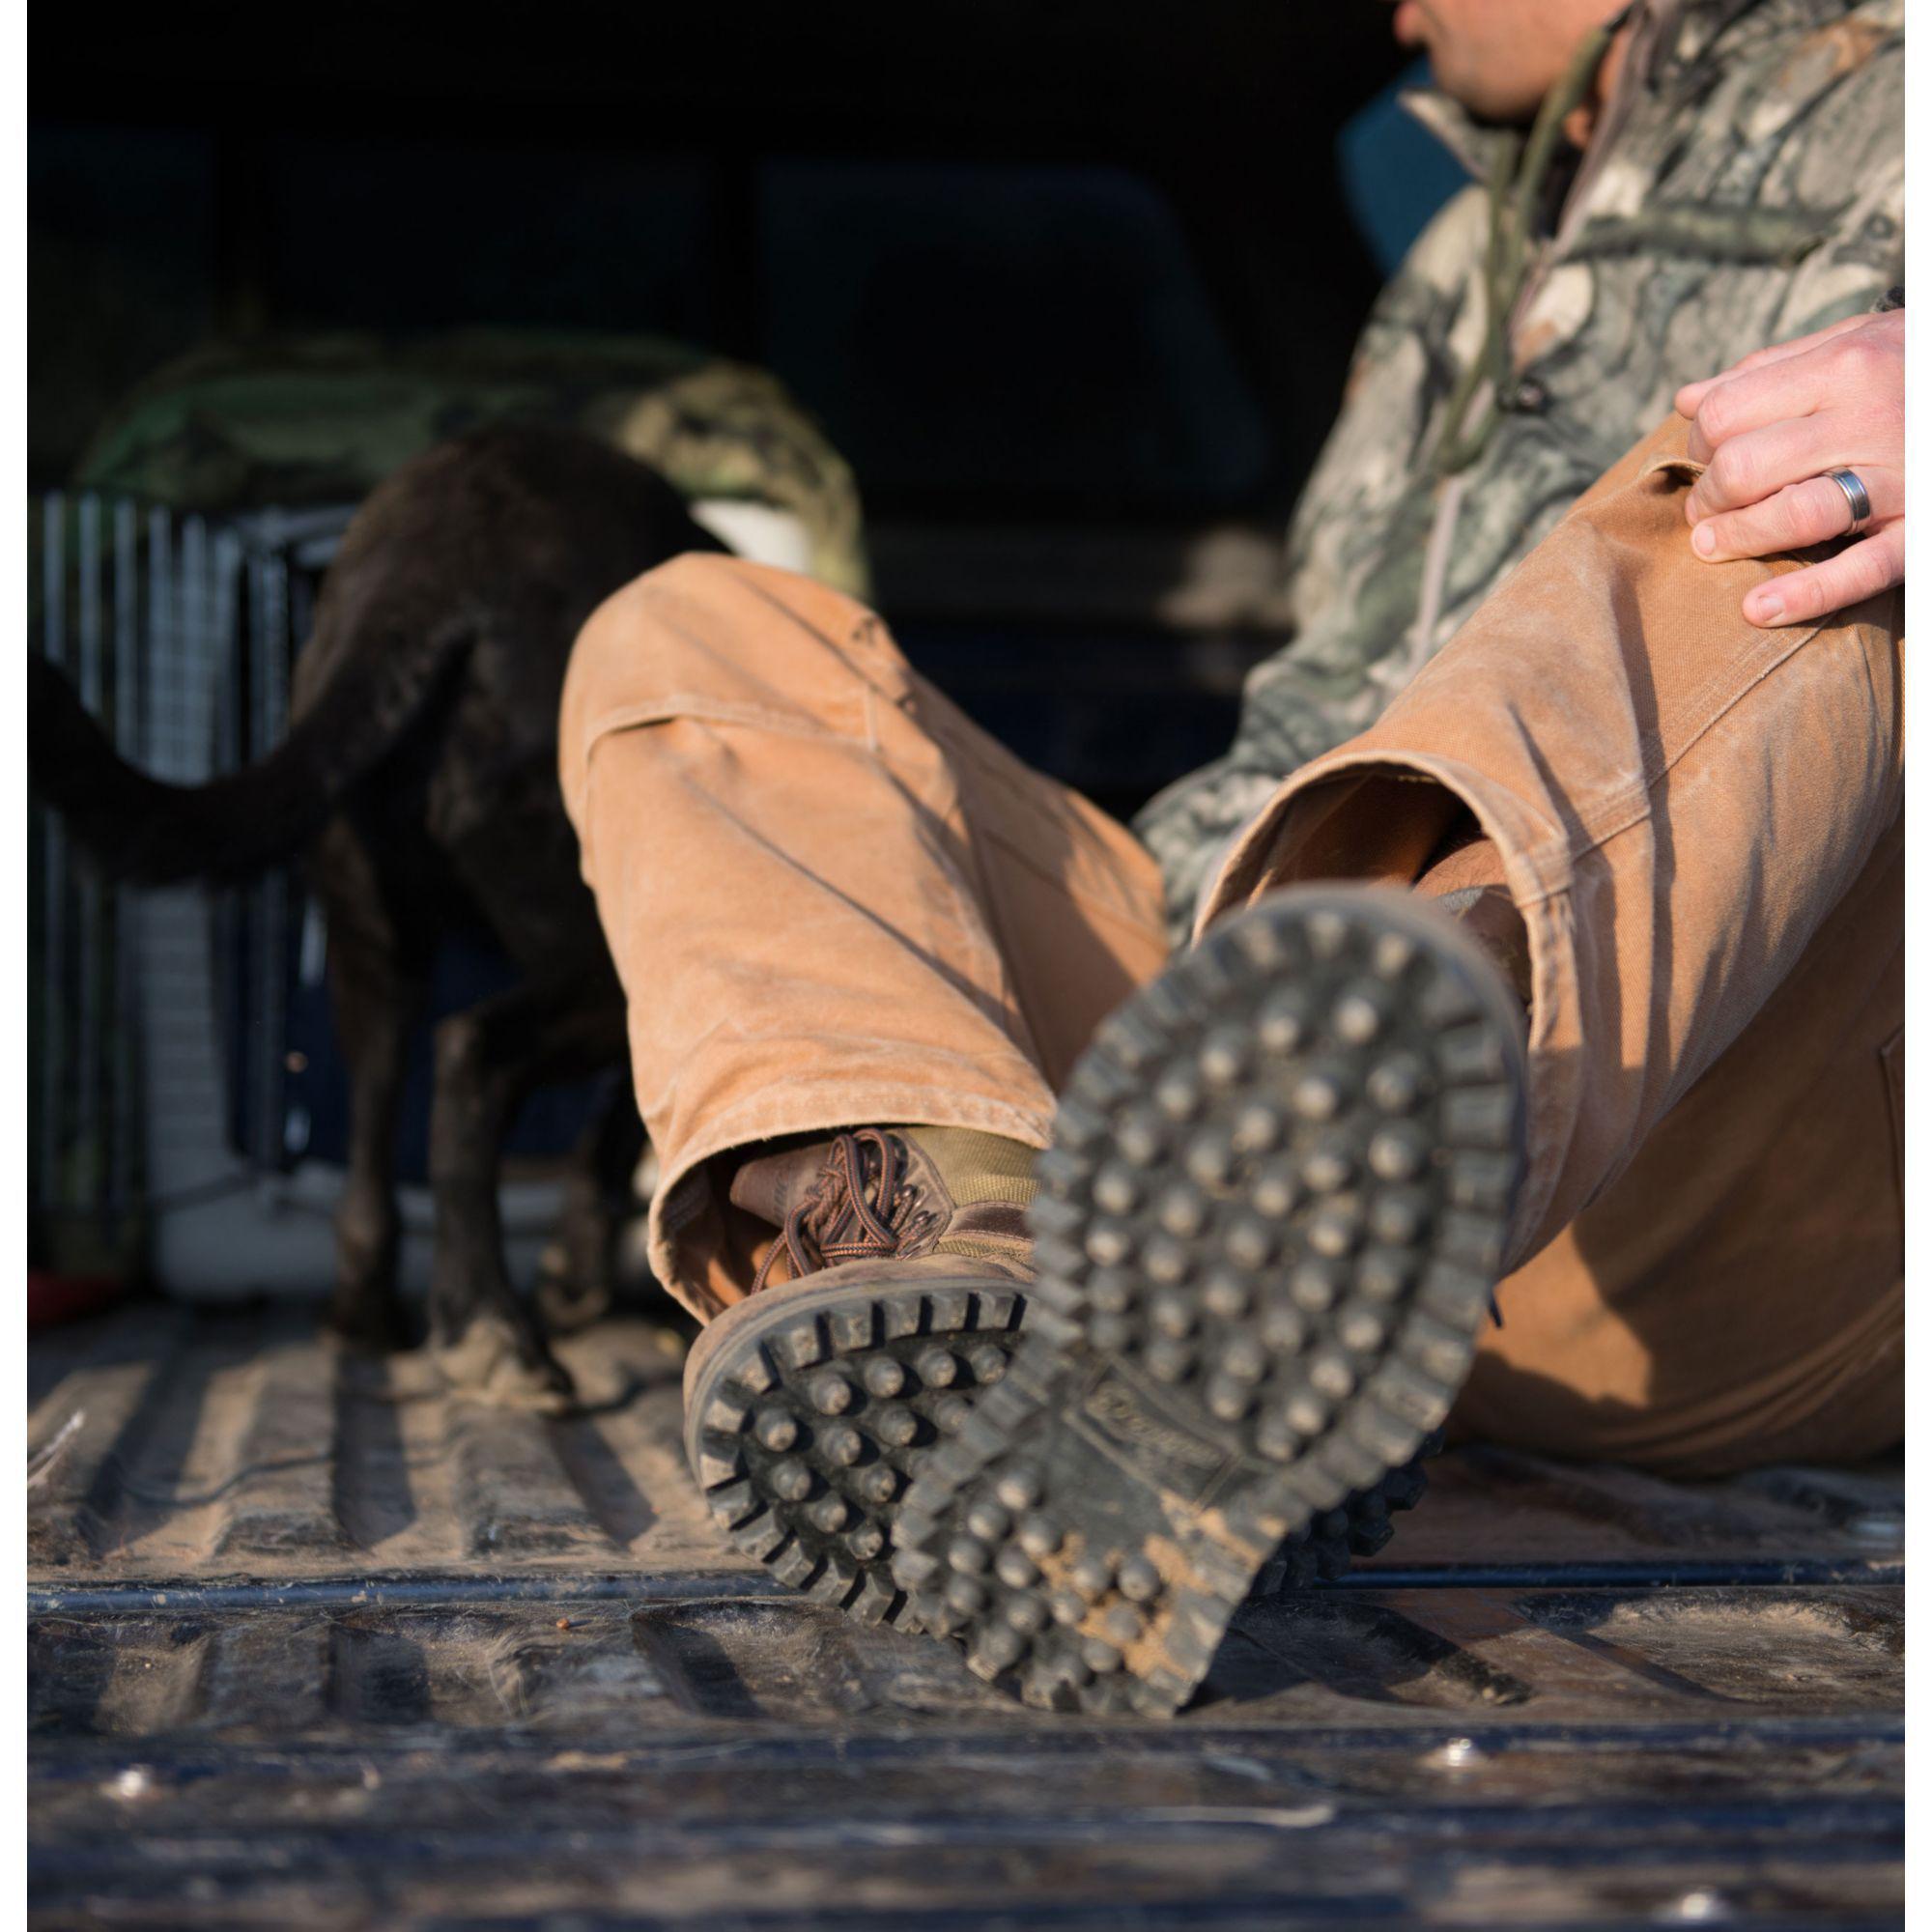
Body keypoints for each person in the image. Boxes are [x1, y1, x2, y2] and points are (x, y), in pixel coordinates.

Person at [556, 0, 1905, 1715]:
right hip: (1243, 1049)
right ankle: (976, 1250)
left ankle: (1381, 1153)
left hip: (1716, 1177)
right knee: (684, 634)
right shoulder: (1457, 265)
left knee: (1776, 499)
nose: (1396, 12)